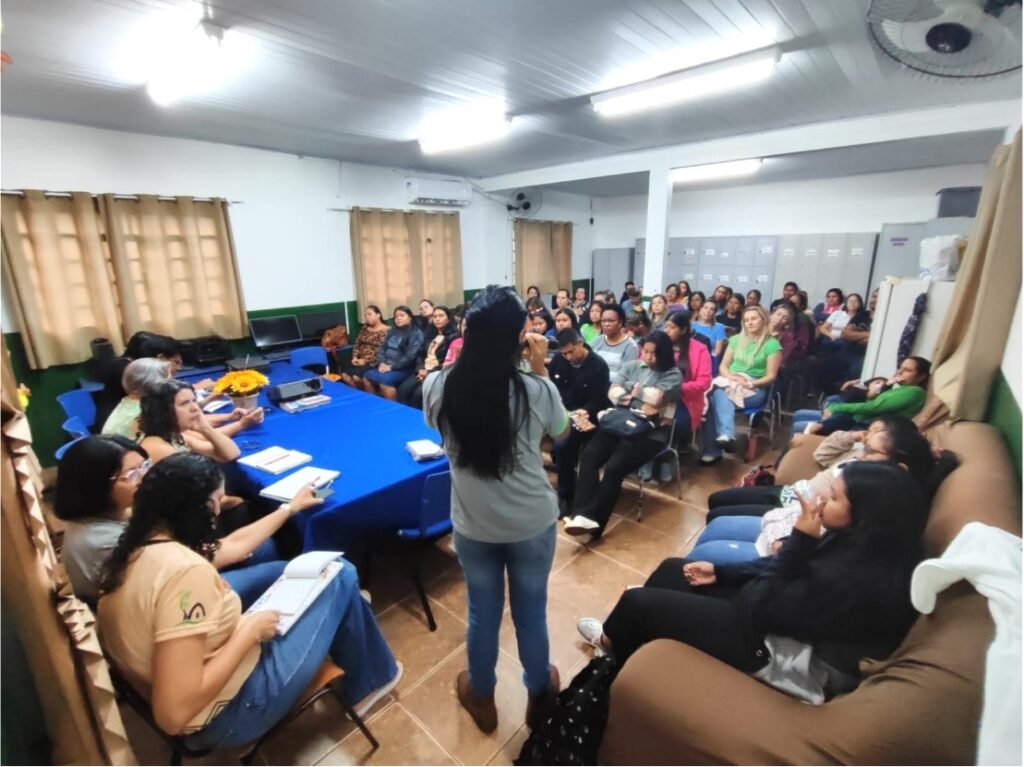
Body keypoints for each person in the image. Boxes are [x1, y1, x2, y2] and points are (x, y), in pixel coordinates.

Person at [96, 453, 400, 750]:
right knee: (340, 572)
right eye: (216, 501)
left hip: (198, 679)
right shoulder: (186, 573)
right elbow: (172, 715)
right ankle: (372, 678)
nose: (218, 511)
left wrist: (290, 507)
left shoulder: (138, 548)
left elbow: (234, 545)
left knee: (294, 569)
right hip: (233, 711)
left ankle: (347, 612)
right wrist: (249, 632)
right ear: (198, 508)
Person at [575, 462, 926, 704]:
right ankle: (631, 641)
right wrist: (724, 573)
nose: (820, 501)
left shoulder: (851, 582)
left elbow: (757, 610)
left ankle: (611, 654)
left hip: (778, 652)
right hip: (781, 616)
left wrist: (800, 542)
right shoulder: (858, 543)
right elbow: (780, 571)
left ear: (865, 517)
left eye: (833, 498)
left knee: (638, 604)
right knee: (673, 570)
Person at [422, 285, 568, 733]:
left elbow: (435, 424)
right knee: (531, 613)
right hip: (531, 523)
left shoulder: (437, 385)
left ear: (467, 331)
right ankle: (539, 692)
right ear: (518, 336)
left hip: (474, 525)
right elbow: (561, 432)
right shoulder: (535, 389)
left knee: (482, 614)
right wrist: (539, 368)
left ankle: (482, 694)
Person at [55, 435, 319, 608]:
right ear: (95, 485)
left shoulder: (115, 512)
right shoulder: (103, 541)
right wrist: (290, 507)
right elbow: (219, 552)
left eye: (144, 467)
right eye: (132, 473)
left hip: (171, 583)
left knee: (265, 546)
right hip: (172, 605)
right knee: (284, 568)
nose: (144, 478)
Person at [564, 331, 682, 539]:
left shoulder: (673, 374)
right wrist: (639, 398)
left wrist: (628, 389)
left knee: (614, 467)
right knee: (590, 455)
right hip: (619, 422)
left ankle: (593, 522)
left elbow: (657, 397)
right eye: (645, 351)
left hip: (651, 431)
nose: (647, 357)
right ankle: (580, 514)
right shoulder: (632, 366)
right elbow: (612, 392)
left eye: (653, 353)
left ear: (664, 354)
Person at [702, 306, 781, 462]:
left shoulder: (772, 344)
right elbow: (723, 366)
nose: (749, 323)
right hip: (730, 379)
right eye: (746, 320)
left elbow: (771, 376)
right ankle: (726, 435)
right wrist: (732, 378)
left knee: (716, 395)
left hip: (754, 387)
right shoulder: (735, 340)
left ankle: (713, 450)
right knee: (718, 394)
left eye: (754, 319)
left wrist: (750, 383)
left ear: (763, 320)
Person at [548, 329, 611, 515]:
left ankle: (566, 496)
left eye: (571, 351)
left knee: (563, 444)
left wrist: (586, 410)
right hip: (560, 411)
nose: (568, 357)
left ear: (580, 343)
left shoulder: (598, 365)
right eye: (564, 353)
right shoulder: (558, 361)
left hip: (585, 416)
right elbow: (553, 389)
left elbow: (600, 399)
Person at [793, 357, 930, 435]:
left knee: (798, 426)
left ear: (921, 376)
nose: (899, 372)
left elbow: (873, 407)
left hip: (859, 425)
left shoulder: (914, 392)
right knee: (799, 414)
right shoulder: (900, 388)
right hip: (854, 417)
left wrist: (836, 408)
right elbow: (871, 398)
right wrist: (887, 386)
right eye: (900, 367)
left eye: (907, 370)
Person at [398, 305, 458, 408]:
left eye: (441, 316)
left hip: (437, 372)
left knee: (418, 395)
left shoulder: (454, 337)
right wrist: (420, 369)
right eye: (435, 316)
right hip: (423, 370)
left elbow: (447, 361)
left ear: (448, 319)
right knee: (403, 390)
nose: (437, 319)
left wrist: (429, 372)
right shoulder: (430, 334)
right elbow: (421, 354)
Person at [363, 306, 424, 400]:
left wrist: (391, 367)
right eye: (396, 316)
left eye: (402, 316)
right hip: (386, 365)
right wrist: (381, 362)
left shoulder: (416, 333)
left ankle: (393, 406)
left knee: (384, 381)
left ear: (410, 317)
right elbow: (382, 348)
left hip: (404, 368)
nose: (398, 318)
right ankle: (375, 403)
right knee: (367, 376)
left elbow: (410, 356)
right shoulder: (393, 330)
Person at [101, 358, 171, 439]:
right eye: (168, 382)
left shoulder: (129, 403)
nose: (172, 387)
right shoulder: (145, 412)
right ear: (152, 384)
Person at [339, 305, 389, 389]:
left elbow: (381, 350)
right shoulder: (365, 328)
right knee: (344, 375)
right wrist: (355, 357)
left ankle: (366, 393)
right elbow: (357, 344)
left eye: (369, 314)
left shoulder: (386, 330)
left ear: (378, 315)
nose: (367, 317)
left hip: (373, 362)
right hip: (359, 360)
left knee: (356, 378)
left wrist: (365, 361)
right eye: (365, 315)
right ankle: (358, 393)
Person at [590, 304, 640, 375]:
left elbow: (627, 375)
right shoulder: (596, 341)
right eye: (603, 321)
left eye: (611, 321)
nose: (606, 324)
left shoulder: (630, 346)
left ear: (620, 323)